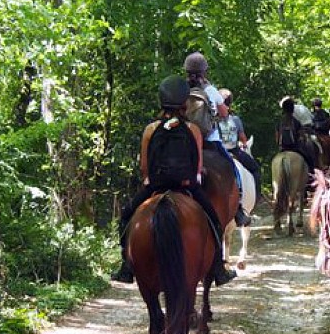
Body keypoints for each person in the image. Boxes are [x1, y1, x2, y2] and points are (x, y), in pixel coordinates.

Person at [111, 75, 237, 286]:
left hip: (155, 185)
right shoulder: (193, 130)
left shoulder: (151, 130)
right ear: (184, 103)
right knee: (214, 221)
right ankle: (217, 268)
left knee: (125, 219)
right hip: (186, 186)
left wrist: (151, 182)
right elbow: (197, 167)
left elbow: (144, 167)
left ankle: (126, 267)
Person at [184, 52, 252, 227]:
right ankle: (238, 208)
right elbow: (224, 113)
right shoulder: (211, 90)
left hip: (185, 140)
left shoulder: (181, 89)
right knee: (232, 167)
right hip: (210, 141)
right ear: (204, 71)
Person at [217, 88, 264, 203]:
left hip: (217, 151)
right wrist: (243, 144)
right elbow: (243, 139)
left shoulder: (213, 119)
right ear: (230, 102)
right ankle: (257, 196)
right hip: (234, 151)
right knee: (255, 169)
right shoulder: (235, 120)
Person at [276, 97, 315, 173]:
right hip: (295, 148)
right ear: (293, 109)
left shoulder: (279, 123)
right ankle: (311, 173)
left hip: (283, 148)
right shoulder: (296, 122)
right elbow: (301, 138)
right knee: (309, 158)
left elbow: (277, 139)